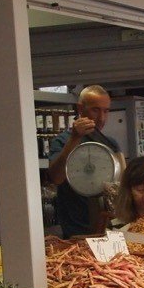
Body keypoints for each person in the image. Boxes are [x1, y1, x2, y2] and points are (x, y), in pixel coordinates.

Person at [48, 85, 123, 238]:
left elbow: (123, 180)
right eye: (95, 110)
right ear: (80, 109)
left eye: (106, 111)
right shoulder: (62, 141)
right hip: (76, 228)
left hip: (109, 227)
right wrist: (74, 138)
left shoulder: (111, 144)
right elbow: (56, 177)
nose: (102, 118)